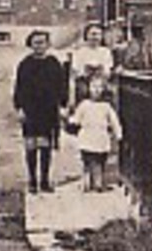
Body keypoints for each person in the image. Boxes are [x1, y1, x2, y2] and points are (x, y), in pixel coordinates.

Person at [12, 30, 69, 194]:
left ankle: (44, 180)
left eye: (42, 42)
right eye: (36, 43)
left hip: (48, 110)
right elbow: (19, 87)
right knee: (31, 146)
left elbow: (61, 86)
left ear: (48, 44)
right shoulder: (25, 64)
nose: (39, 46)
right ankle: (32, 180)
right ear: (30, 44)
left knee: (45, 146)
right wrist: (20, 108)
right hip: (30, 110)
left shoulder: (53, 63)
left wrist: (62, 106)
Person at [69, 71, 123, 193]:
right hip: (87, 137)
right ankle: (87, 181)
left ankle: (98, 181)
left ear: (103, 89)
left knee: (100, 160)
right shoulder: (84, 105)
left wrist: (118, 133)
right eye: (94, 87)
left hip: (100, 137)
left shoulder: (106, 106)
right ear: (88, 88)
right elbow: (76, 119)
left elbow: (114, 121)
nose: (96, 90)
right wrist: (70, 120)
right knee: (87, 160)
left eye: (100, 88)